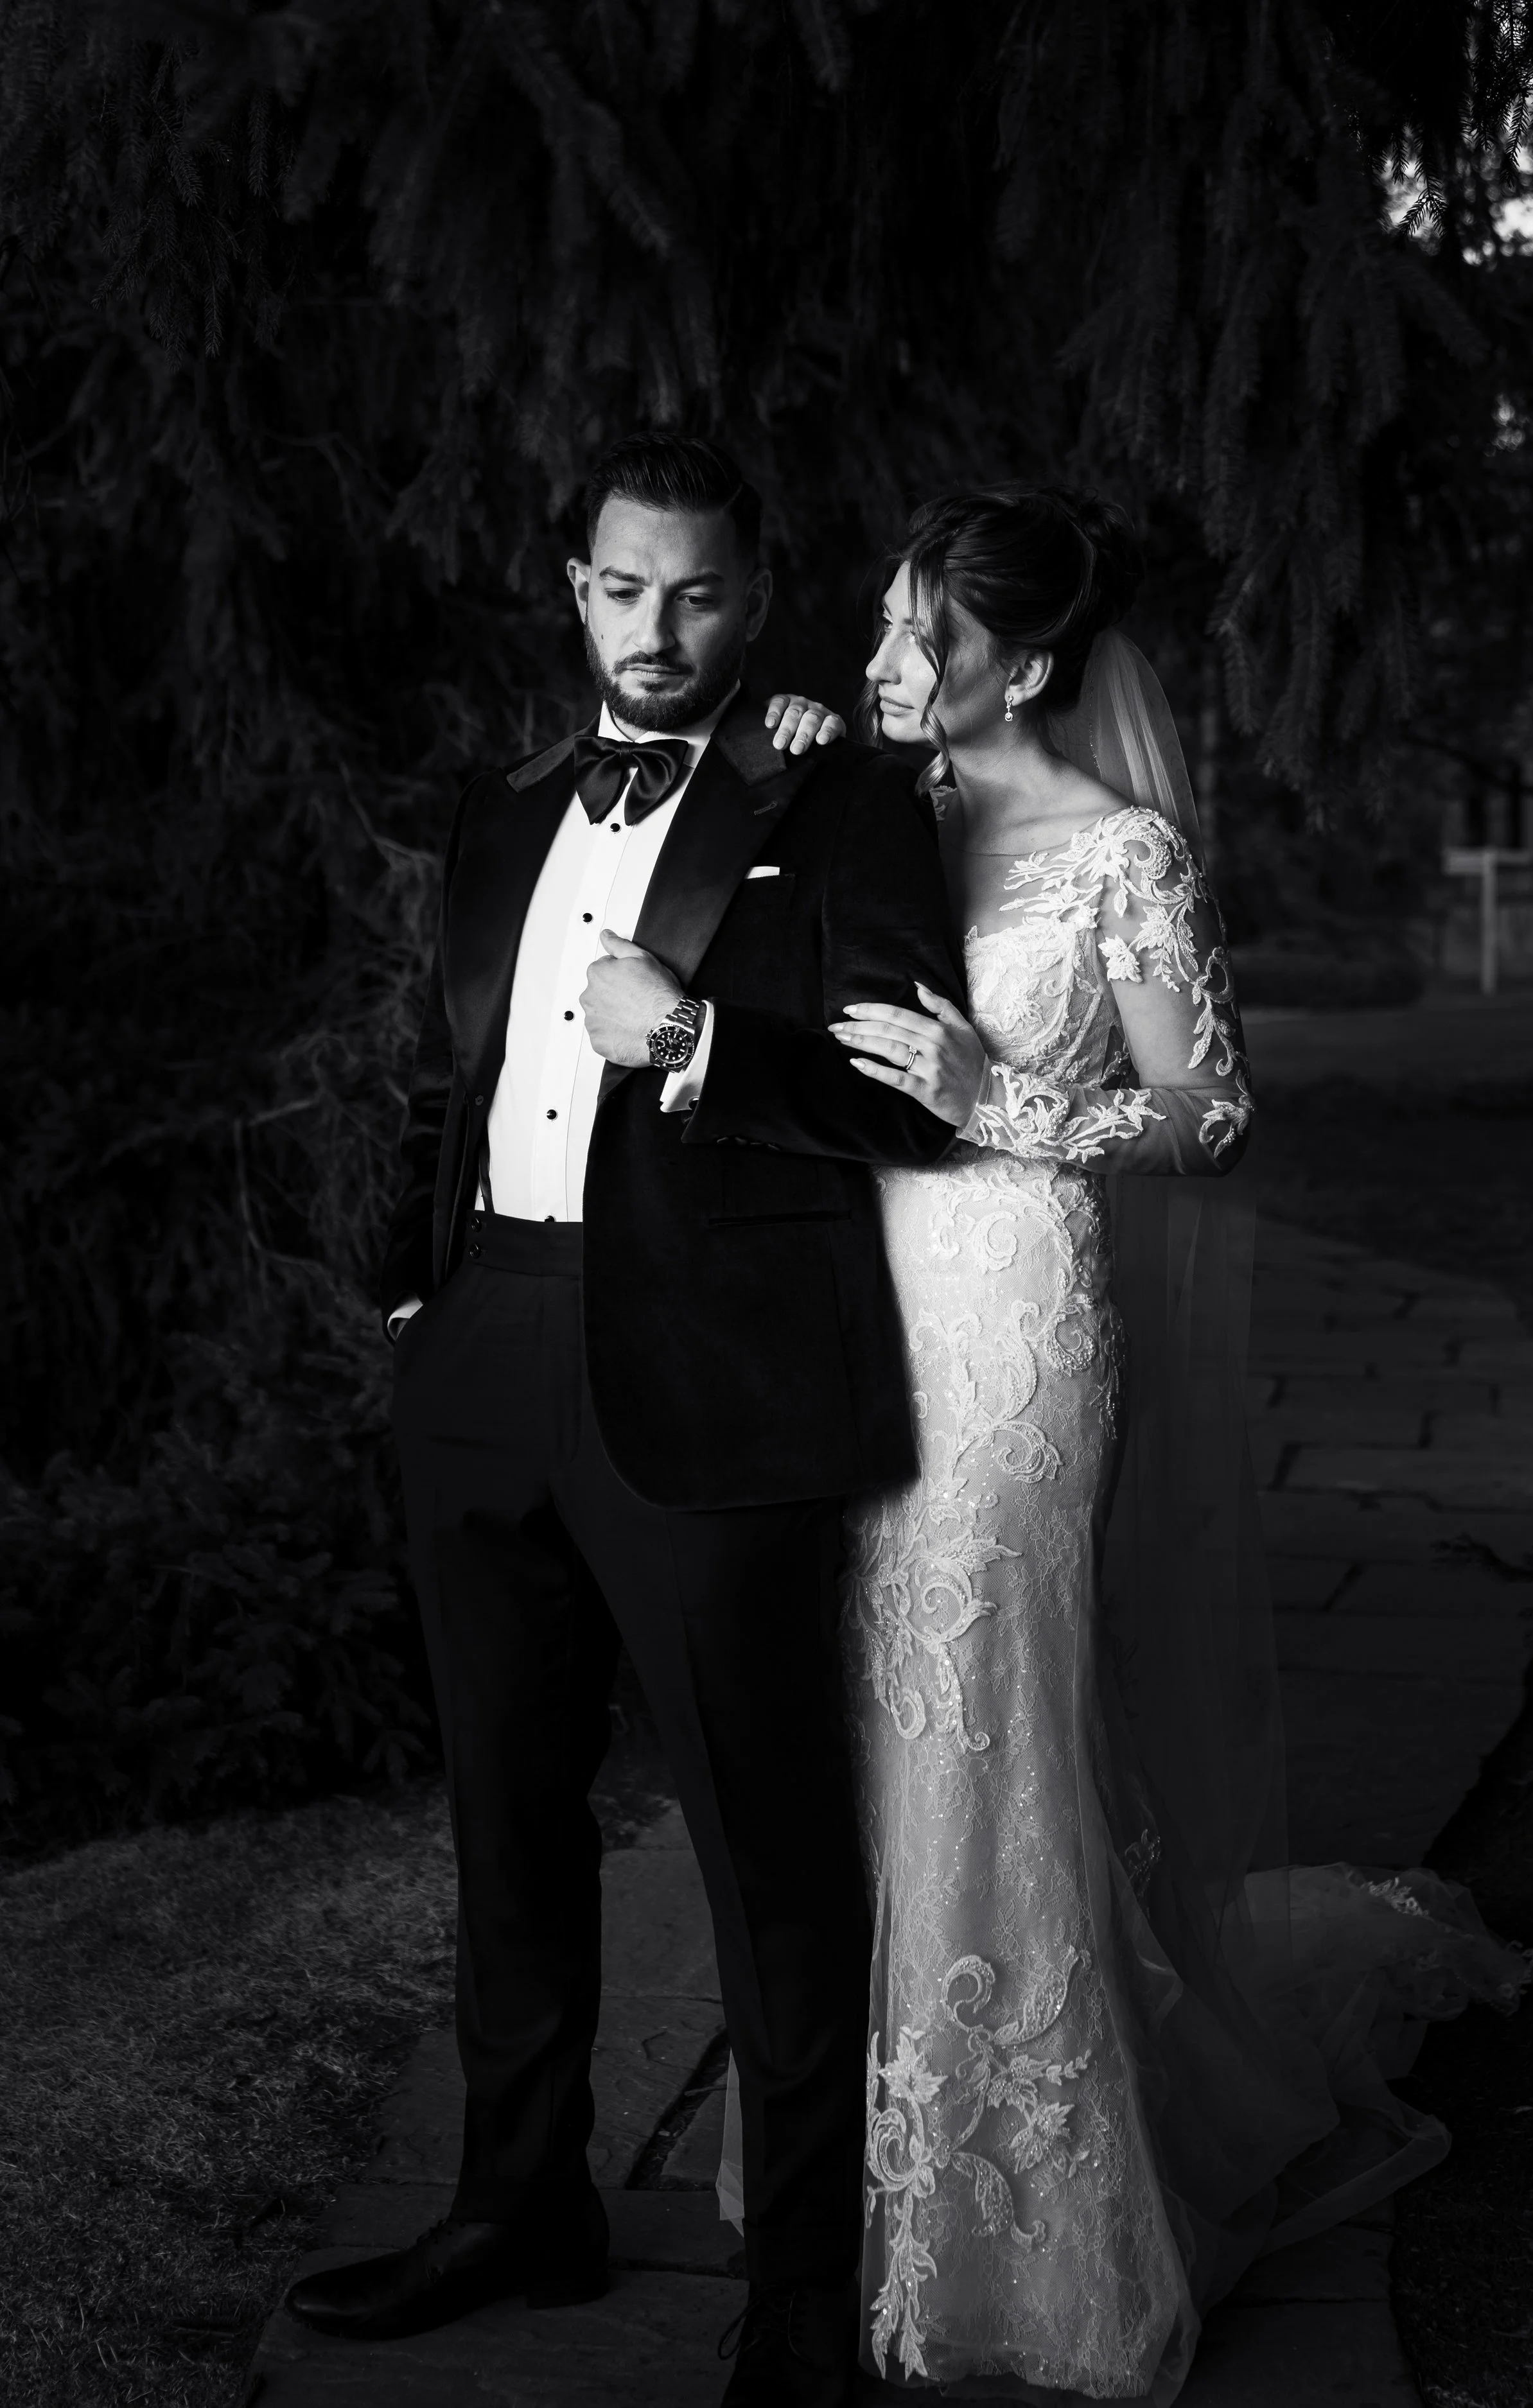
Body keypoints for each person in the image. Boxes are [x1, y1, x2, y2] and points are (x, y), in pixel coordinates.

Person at [753, 485, 1533, 2402]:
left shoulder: (1124, 851)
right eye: (875, 625)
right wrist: (772, 777)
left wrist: (997, 1094)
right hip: (854, 1306)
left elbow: (1211, 1112)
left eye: (915, 639)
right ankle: (846, 2170)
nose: (875, 665)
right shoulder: (877, 802)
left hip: (1017, 1314)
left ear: (1020, 664)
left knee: (986, 1729)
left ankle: (1018, 2219)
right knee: (862, 1730)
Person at [282, 432, 965, 2408]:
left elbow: (909, 1096)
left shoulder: (840, 805)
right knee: (505, 1818)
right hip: (485, 1352)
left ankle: (801, 2312)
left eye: (696, 593)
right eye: (619, 587)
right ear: (571, 587)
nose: (655, 629)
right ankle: (518, 2201)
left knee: (772, 1860)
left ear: (753, 599)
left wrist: (698, 1034)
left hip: (705, 1375)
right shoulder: (501, 809)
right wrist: (422, 1309)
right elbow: (451, 1068)